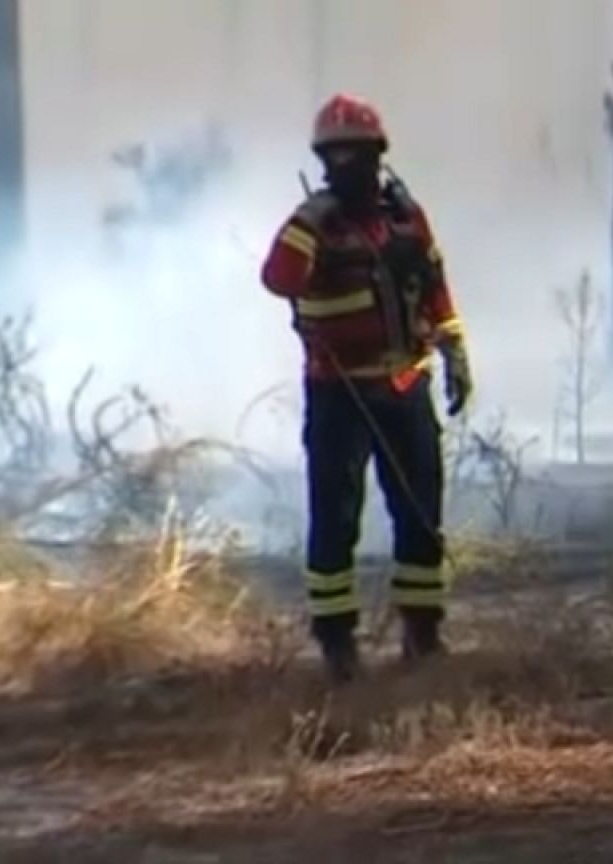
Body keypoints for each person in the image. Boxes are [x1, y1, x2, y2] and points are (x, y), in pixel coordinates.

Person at [259, 93, 473, 682]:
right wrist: (310, 221)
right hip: (339, 394)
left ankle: (422, 634)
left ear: (379, 153)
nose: (346, 164)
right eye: (336, 155)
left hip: (405, 384)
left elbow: (434, 287)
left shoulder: (406, 218)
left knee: (420, 510)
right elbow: (278, 279)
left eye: (357, 152)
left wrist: (454, 351)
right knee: (336, 515)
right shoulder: (314, 224)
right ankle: (337, 646)